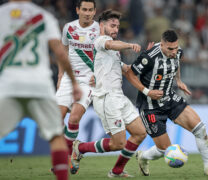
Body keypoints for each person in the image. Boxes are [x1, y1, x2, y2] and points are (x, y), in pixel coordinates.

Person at [0, 1, 82, 180]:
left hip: (8, 85)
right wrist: (74, 84)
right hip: (39, 84)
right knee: (56, 137)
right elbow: (60, 53)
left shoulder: (2, 14)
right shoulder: (44, 16)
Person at [125, 29, 208, 176]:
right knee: (165, 150)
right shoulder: (149, 57)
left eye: (176, 48)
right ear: (161, 45)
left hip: (170, 99)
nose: (174, 51)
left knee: (200, 129)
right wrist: (147, 92)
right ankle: (143, 157)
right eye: (170, 49)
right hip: (150, 107)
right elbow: (130, 74)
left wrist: (178, 80)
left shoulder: (178, 51)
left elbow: (176, 64)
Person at [70, 9, 147, 178]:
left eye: (117, 26)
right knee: (118, 143)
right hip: (106, 98)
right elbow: (112, 44)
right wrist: (129, 44)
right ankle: (80, 148)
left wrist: (146, 58)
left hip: (119, 97)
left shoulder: (113, 50)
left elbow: (126, 69)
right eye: (112, 25)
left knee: (140, 132)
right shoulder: (101, 41)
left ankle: (116, 171)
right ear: (102, 25)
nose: (115, 29)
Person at [55, 0, 99, 171]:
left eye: (90, 10)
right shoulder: (68, 28)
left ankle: (66, 158)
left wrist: (99, 74)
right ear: (77, 10)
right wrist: (60, 75)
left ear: (95, 12)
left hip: (88, 81)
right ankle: (73, 146)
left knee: (74, 118)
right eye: (84, 9)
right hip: (68, 78)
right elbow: (63, 51)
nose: (87, 13)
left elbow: (106, 54)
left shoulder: (99, 30)